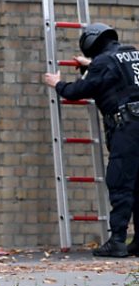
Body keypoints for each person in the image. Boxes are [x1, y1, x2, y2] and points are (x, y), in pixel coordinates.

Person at [43, 22, 139, 258]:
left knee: (121, 182)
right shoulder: (132, 53)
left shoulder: (104, 62)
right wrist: (92, 65)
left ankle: (117, 241)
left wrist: (59, 84)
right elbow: (117, 77)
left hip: (128, 129)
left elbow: (81, 90)